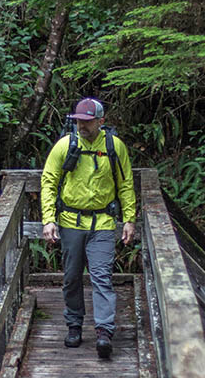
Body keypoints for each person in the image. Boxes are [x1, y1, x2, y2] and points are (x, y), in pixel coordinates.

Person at [40, 98, 136, 358]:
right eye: (78, 120)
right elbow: (49, 181)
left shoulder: (114, 147)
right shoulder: (65, 145)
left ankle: (104, 331)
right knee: (71, 277)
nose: (81, 125)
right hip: (71, 222)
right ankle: (74, 324)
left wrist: (129, 219)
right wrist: (49, 219)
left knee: (102, 276)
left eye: (87, 120)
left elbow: (125, 184)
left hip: (103, 223)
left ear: (100, 121)